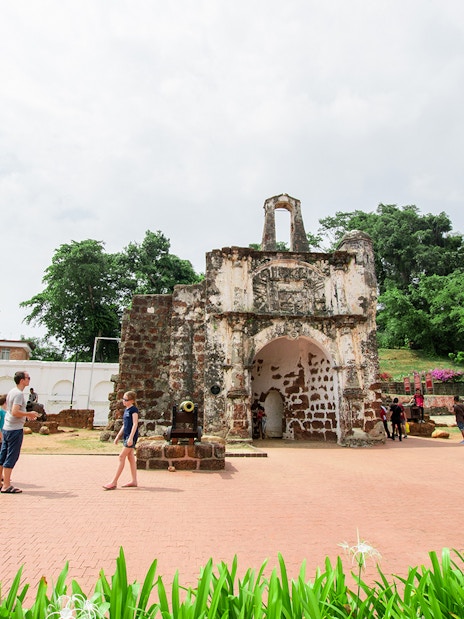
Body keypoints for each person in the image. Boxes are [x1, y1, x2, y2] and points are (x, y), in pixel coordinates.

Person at [0, 371, 38, 493]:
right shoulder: (18, 394)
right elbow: (15, 412)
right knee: (11, 456)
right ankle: (6, 485)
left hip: (7, 427)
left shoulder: (12, 392)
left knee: (3, 455)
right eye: (28, 378)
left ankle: (2, 482)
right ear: (22, 380)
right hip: (14, 429)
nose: (29, 380)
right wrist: (29, 414)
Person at [103, 391, 139, 490]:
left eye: (126, 400)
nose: (123, 401)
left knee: (121, 457)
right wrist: (118, 436)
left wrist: (131, 438)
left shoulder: (134, 410)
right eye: (123, 399)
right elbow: (125, 424)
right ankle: (134, 480)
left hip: (131, 437)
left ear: (131, 400)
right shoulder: (126, 410)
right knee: (130, 457)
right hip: (126, 436)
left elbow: (135, 424)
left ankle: (114, 482)